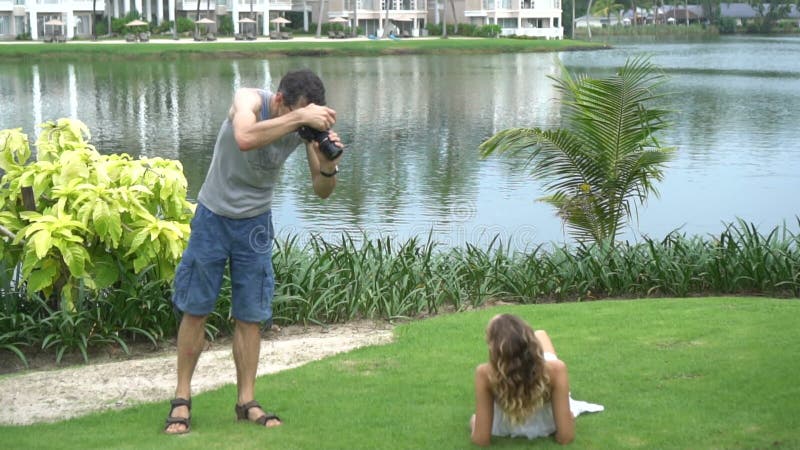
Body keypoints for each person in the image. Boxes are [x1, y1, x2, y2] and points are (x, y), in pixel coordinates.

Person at [163, 69, 343, 435]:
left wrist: (327, 166)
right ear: (279, 100)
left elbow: (322, 192)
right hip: (213, 215)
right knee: (196, 308)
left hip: (256, 224)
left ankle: (246, 401)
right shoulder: (250, 99)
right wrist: (301, 117)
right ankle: (181, 398)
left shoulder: (301, 127)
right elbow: (245, 137)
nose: (301, 125)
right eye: (296, 114)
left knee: (250, 314)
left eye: (307, 116)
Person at [470, 314, 603, 446]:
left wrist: (474, 422)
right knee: (541, 334)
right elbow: (565, 437)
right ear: (529, 341)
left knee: (474, 418)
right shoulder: (555, 370)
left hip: (506, 426)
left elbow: (481, 440)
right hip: (547, 424)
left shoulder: (485, 373)